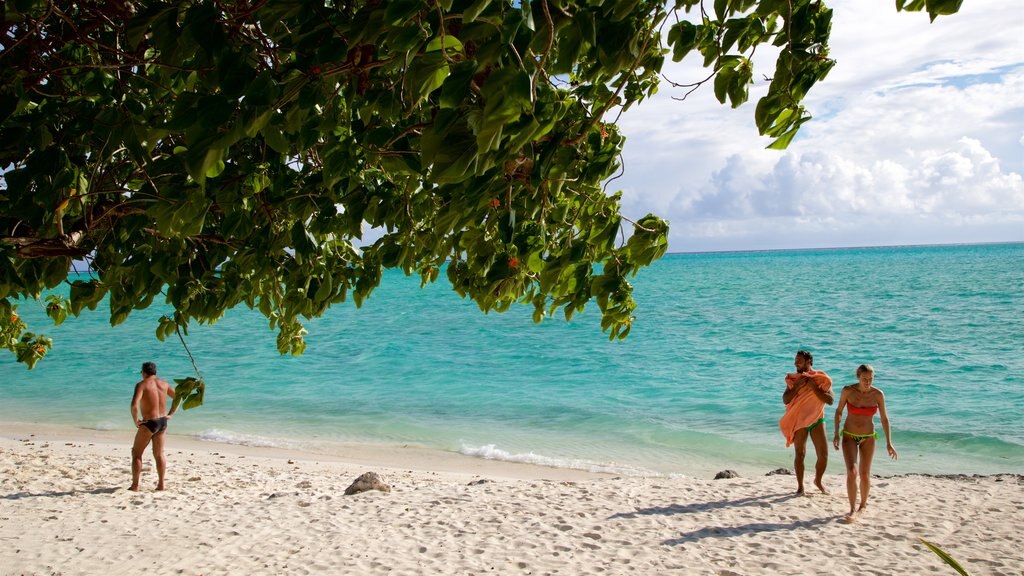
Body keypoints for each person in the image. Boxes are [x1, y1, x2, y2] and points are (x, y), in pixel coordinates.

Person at [833, 364, 897, 522]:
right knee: (851, 472)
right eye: (864, 379)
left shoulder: (878, 395)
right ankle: (852, 509)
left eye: (870, 379)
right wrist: (836, 433)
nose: (868, 382)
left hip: (868, 437)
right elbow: (839, 411)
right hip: (849, 435)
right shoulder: (848, 391)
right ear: (858, 377)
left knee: (865, 475)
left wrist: (889, 442)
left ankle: (863, 505)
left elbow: (884, 419)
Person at [779, 350, 834, 495]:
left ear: (808, 362)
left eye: (799, 360)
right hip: (799, 420)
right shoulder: (794, 379)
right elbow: (785, 399)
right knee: (800, 453)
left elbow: (830, 400)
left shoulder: (820, 378)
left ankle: (818, 481)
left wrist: (814, 388)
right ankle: (800, 487)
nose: (795, 363)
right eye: (795, 360)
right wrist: (797, 387)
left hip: (817, 419)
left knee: (823, 455)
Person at [129, 361, 176, 491]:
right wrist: (170, 414)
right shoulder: (164, 384)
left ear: (143, 372)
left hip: (149, 423)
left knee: (136, 453)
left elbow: (134, 405)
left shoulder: (141, 385)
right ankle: (161, 485)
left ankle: (135, 485)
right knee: (159, 453)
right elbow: (178, 397)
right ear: (155, 372)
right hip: (162, 421)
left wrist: (136, 421)